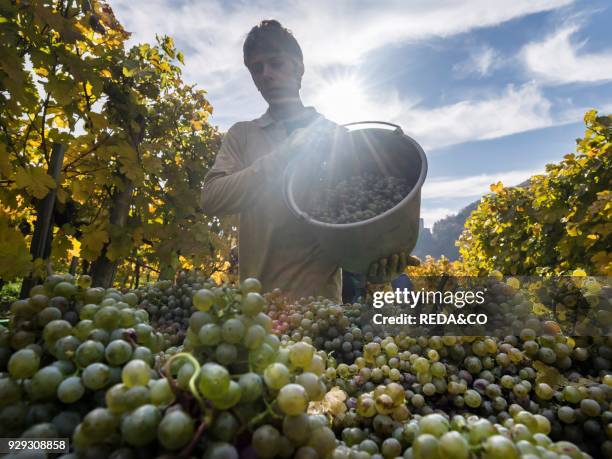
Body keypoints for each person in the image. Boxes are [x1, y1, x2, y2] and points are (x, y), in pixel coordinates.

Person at [200, 19, 416, 302]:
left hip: (320, 314)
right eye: (257, 68)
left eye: (276, 63)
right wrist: (285, 154)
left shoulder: (337, 138)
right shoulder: (242, 135)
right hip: (257, 311)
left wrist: (374, 266)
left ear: (299, 68)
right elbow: (211, 199)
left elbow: (356, 225)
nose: (266, 75)